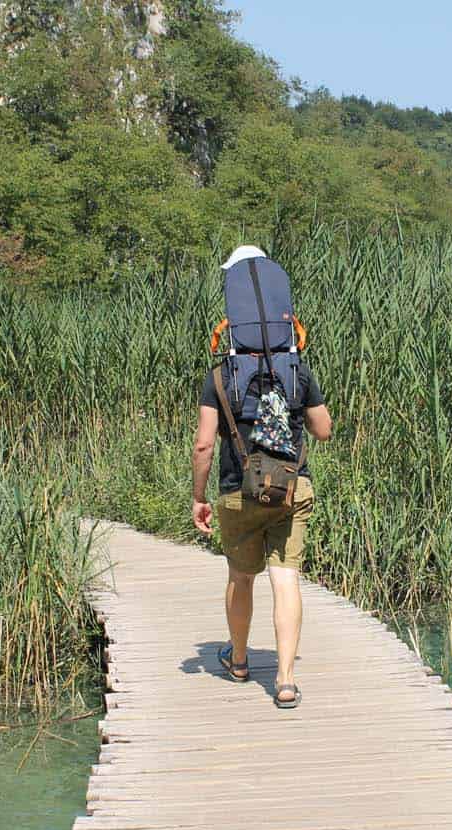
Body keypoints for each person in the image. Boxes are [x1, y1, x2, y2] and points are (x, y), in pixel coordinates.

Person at [190, 246, 333, 709]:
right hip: (293, 488)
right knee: (286, 576)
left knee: (241, 575)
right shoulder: (297, 370)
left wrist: (198, 497)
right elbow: (324, 431)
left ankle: (238, 660)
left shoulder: (219, 376)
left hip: (238, 491)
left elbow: (204, 445)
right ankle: (286, 680)